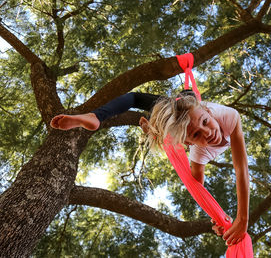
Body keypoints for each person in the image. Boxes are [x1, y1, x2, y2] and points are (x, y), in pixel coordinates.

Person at [50, 91, 250, 246]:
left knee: (161, 111)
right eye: (197, 135)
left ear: (207, 111)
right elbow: (202, 188)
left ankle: (152, 131)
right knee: (143, 100)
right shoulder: (196, 146)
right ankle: (98, 117)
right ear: (188, 144)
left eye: (205, 122)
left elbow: (239, 168)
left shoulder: (229, 117)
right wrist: (227, 218)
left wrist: (228, 218)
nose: (208, 133)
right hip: (179, 104)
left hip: (186, 104)